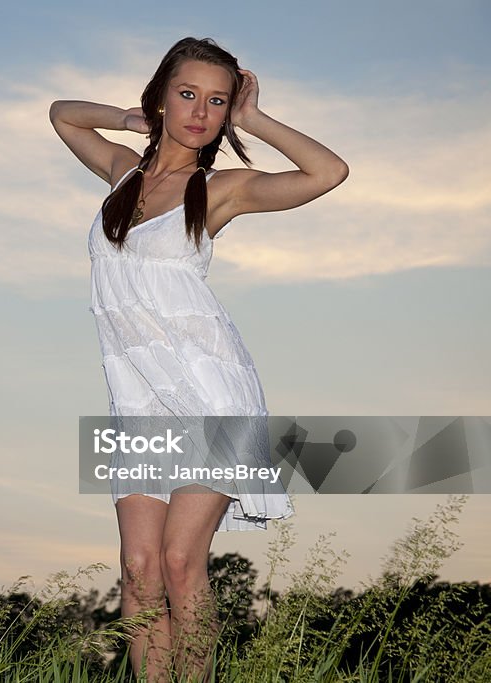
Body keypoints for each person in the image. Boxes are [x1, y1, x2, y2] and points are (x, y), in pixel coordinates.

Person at [50, 37, 348, 681]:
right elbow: (62, 113)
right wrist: (131, 119)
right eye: (186, 94)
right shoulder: (122, 174)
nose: (200, 111)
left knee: (182, 563)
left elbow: (328, 173)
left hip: (211, 394)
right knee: (138, 573)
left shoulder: (220, 188)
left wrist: (254, 120)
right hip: (137, 399)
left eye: (216, 100)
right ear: (161, 96)